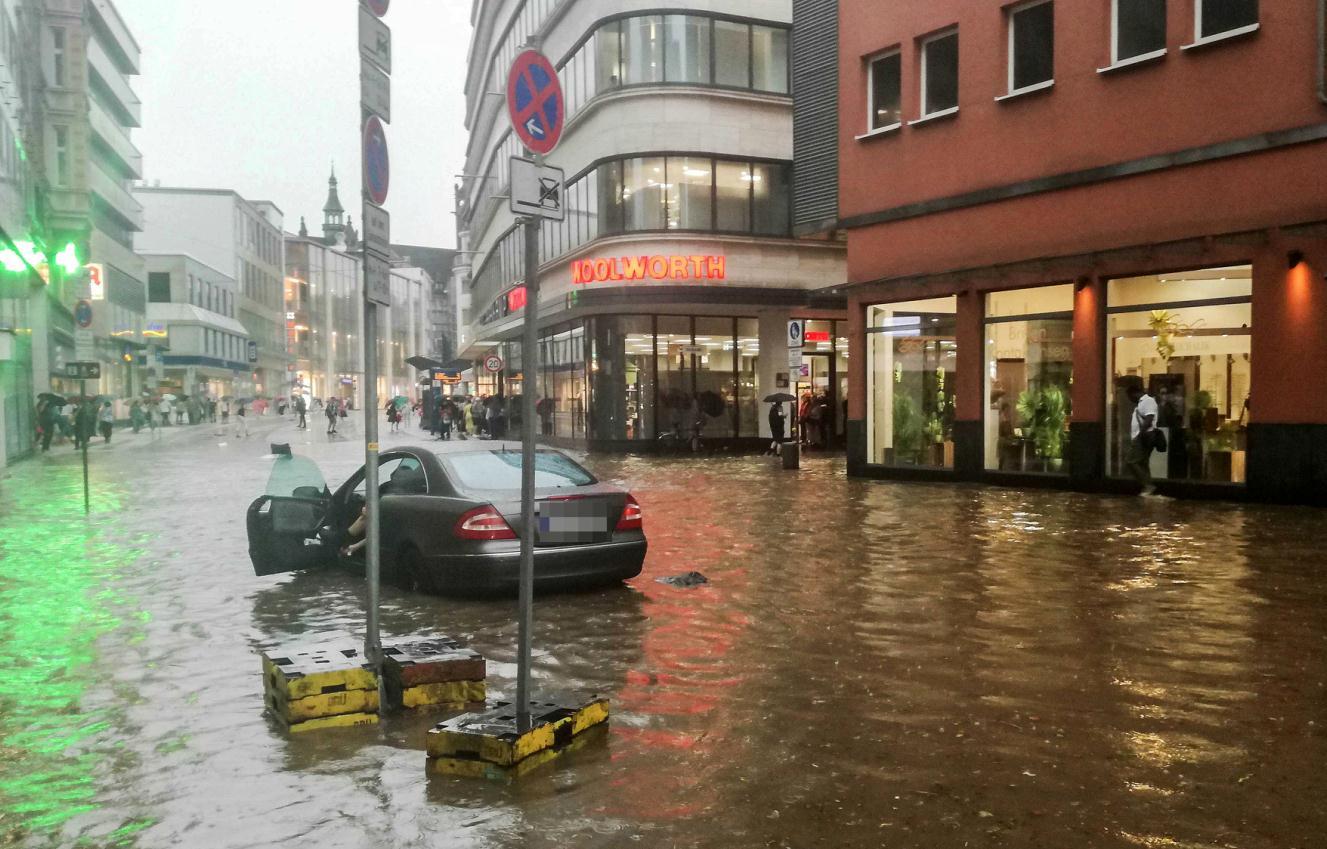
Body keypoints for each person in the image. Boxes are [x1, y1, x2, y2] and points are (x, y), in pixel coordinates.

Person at [1126, 384, 1160, 495]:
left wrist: (1140, 435)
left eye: (1129, 396)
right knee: (1143, 463)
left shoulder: (1147, 401)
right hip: (1143, 436)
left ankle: (1148, 485)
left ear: (1134, 393)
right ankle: (1149, 488)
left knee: (1131, 461)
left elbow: (1149, 418)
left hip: (1143, 436)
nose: (1130, 399)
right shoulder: (1141, 404)